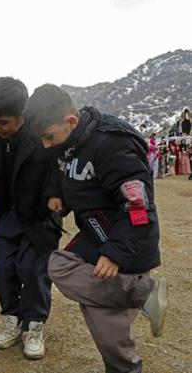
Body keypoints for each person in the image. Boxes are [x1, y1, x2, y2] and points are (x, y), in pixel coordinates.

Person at [25, 84, 167, 373]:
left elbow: (137, 207)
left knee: (108, 332)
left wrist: (115, 254)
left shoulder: (113, 145)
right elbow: (62, 168)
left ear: (71, 121)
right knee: (58, 265)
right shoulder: (68, 143)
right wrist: (57, 193)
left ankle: (142, 295)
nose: (46, 145)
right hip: (96, 235)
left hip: (129, 242)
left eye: (48, 137)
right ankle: (142, 294)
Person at [0, 77, 63, 360]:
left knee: (35, 270)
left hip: (39, 218)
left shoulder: (42, 135)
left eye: (2, 122)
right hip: (8, 214)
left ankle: (34, 325)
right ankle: (12, 320)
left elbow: (58, 171)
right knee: (6, 268)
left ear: (22, 117)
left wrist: (54, 199)